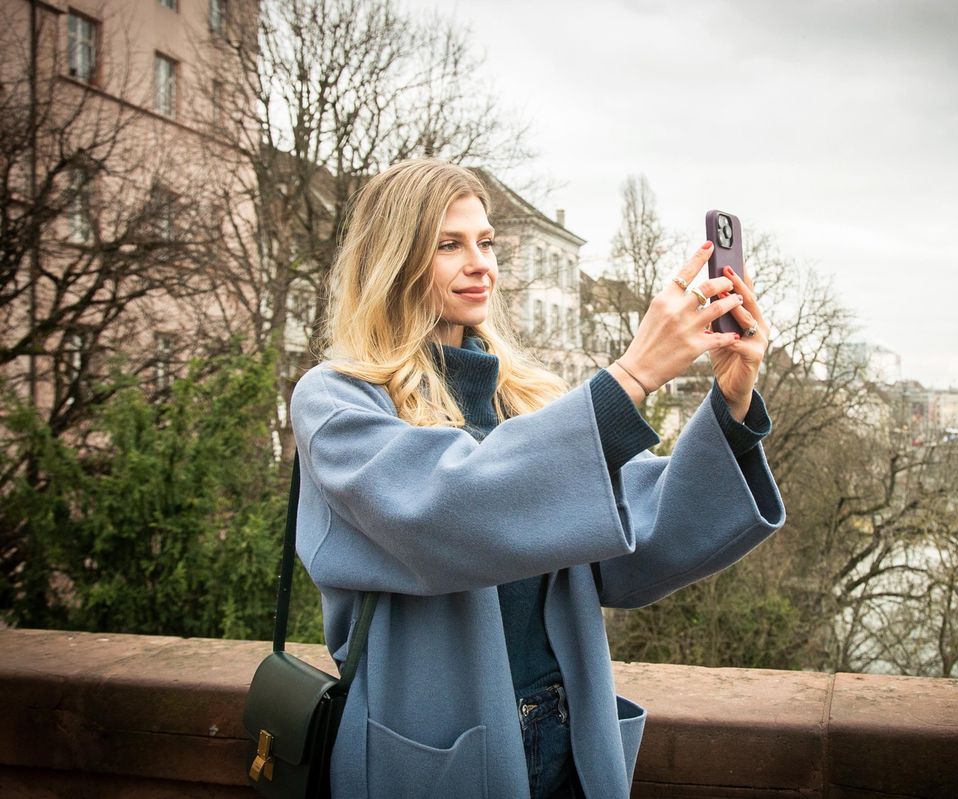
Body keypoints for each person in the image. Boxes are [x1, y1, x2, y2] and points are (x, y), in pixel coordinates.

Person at [289, 160, 785, 799]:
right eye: (449, 245)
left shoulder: (526, 401)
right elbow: (448, 514)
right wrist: (631, 377)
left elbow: (639, 535)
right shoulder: (336, 401)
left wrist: (733, 406)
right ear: (391, 261)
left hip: (567, 739)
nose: (480, 263)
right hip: (436, 759)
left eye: (486, 241)